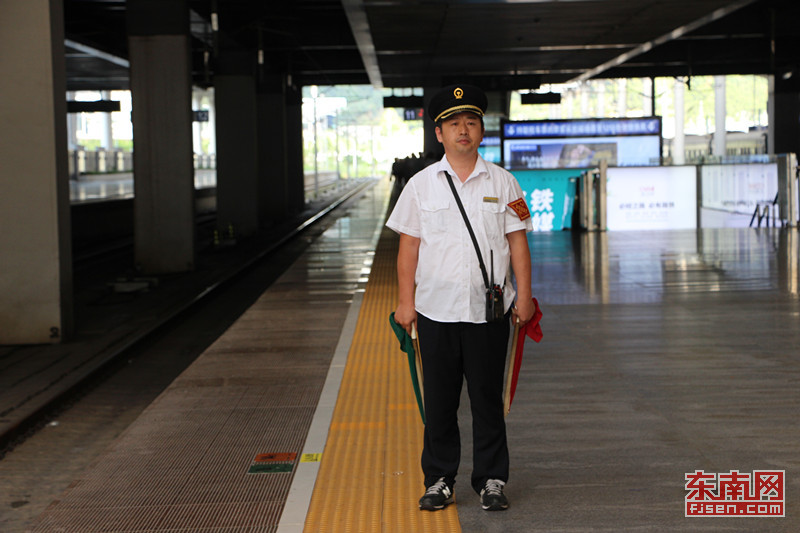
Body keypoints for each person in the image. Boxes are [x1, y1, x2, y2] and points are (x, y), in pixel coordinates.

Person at [386, 84, 534, 512]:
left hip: (488, 313)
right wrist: (405, 301)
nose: (463, 130)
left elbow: (518, 244)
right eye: (454, 123)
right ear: (439, 133)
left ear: (481, 130)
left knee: (488, 399)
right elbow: (409, 247)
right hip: (435, 311)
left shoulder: (504, 181)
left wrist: (524, 296)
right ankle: (439, 479)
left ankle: (491, 479)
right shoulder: (421, 186)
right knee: (441, 401)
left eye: (470, 122)